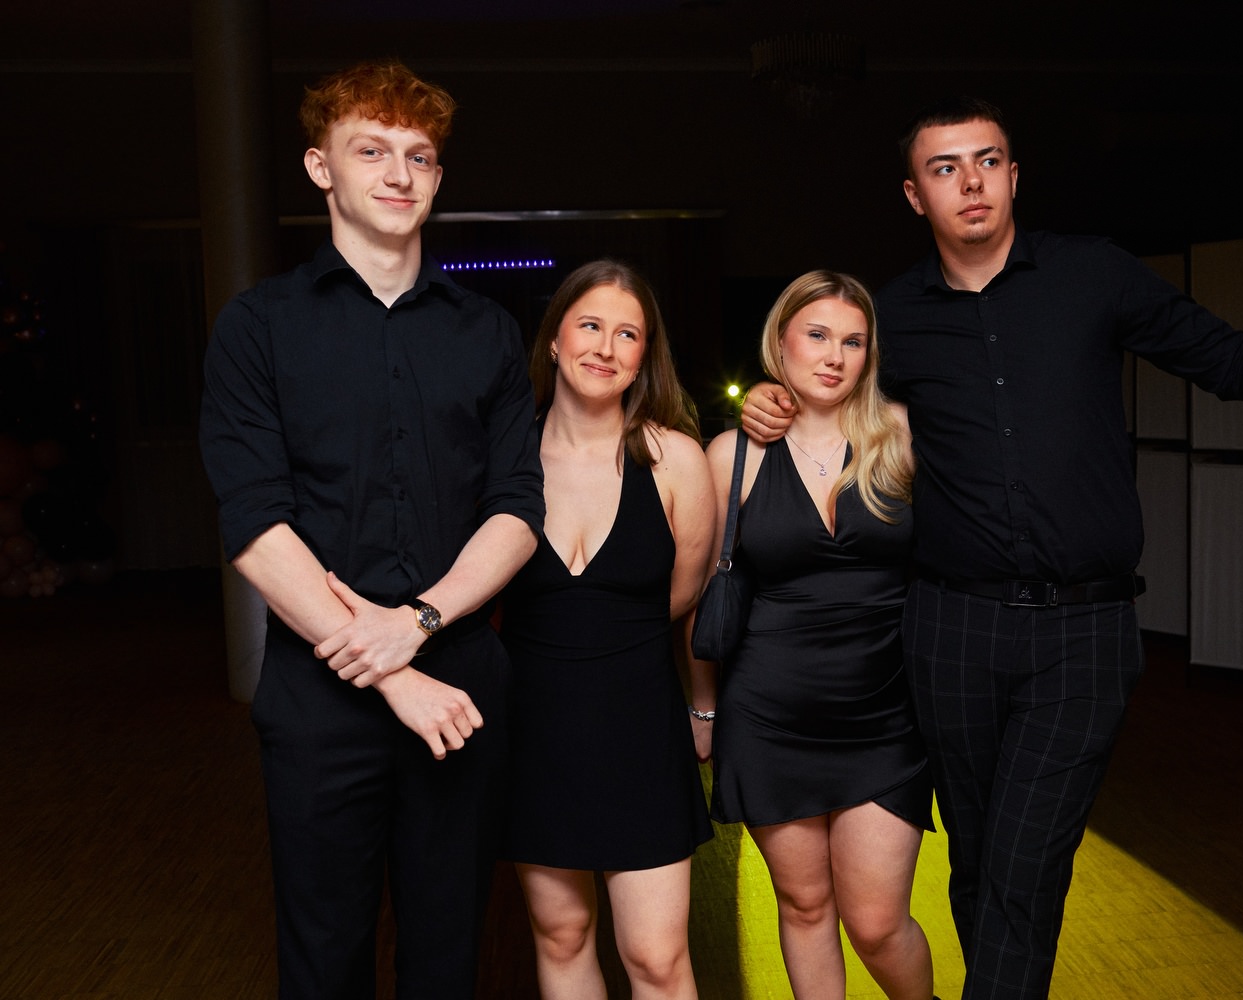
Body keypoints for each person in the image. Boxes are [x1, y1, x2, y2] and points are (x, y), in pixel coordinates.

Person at [741, 96, 1243, 1000]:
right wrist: (771, 401)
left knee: (1025, 869)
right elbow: (829, 402)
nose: (971, 182)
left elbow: (1232, 365)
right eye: (945, 168)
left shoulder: (1093, 275)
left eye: (987, 160)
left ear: (1014, 174)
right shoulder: (893, 318)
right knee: (980, 863)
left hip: (1084, 633)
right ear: (915, 196)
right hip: (949, 631)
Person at [198, 61, 545, 998]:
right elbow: (255, 523)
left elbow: (518, 509)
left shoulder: (487, 332)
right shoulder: (257, 327)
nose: (399, 173)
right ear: (322, 168)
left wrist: (418, 623)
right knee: (323, 958)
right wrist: (390, 669)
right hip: (319, 698)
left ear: (438, 178)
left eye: (419, 156)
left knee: (447, 955)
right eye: (372, 150)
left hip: (461, 688)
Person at [698, 270, 935, 1000]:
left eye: (853, 342)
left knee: (877, 922)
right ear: (782, 341)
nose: (835, 356)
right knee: (804, 907)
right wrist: (703, 709)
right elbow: (705, 597)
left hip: (886, 714)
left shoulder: (903, 435)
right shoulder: (732, 456)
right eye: (818, 335)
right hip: (770, 717)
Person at [497, 260, 716, 1000]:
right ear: (554, 339)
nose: (605, 347)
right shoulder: (505, 458)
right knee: (561, 935)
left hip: (640, 729)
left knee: (656, 957)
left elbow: (684, 597)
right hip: (533, 730)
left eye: (628, 334)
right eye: (590, 325)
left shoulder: (676, 459)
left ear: (644, 355)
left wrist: (702, 708)